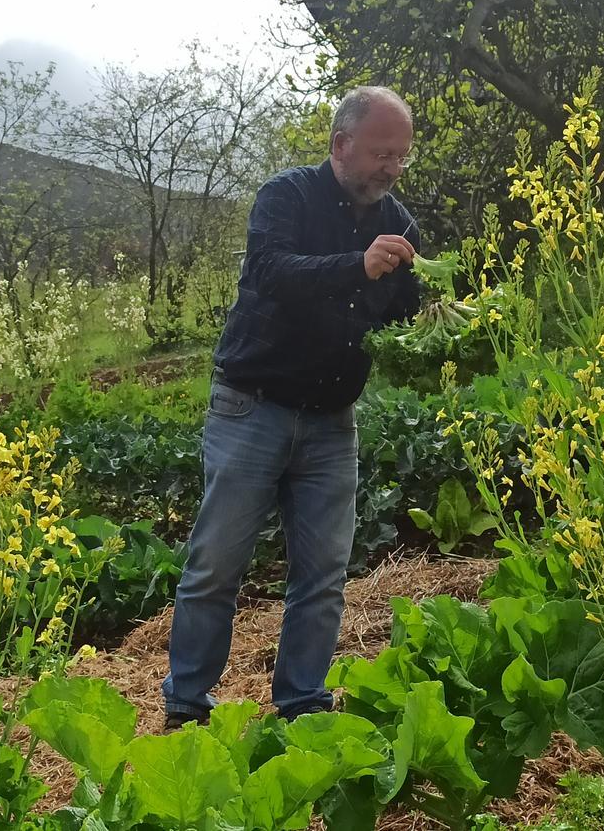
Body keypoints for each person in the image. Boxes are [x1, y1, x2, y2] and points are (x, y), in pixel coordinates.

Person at [162, 86, 420, 729]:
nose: (391, 168)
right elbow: (274, 271)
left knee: (324, 576)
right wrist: (357, 266)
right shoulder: (287, 197)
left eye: (401, 156)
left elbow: (402, 312)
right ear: (341, 146)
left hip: (333, 423)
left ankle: (302, 704)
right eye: (380, 153)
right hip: (252, 408)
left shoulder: (402, 226)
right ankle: (187, 707)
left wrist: (438, 318)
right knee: (216, 568)